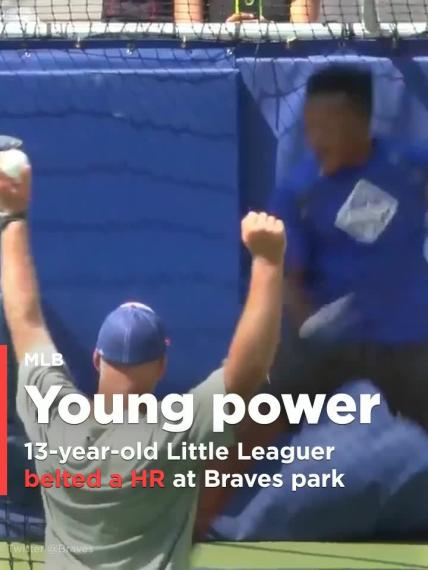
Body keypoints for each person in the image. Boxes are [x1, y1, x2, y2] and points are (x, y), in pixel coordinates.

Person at [0, 161, 285, 569]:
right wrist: (269, 263)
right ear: (162, 366)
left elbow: (25, 318)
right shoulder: (174, 434)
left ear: (97, 358)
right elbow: (246, 373)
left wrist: (13, 214)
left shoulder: (52, 416)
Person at [196, 64, 428, 537]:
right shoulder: (299, 192)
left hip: (408, 342)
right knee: (252, 427)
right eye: (310, 124)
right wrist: (309, 321)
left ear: (360, 121)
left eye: (327, 124)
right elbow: (287, 275)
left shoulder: (411, 168)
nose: (315, 135)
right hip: (325, 341)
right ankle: (186, 528)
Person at [102, 0, 319, 25]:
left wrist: (271, 33)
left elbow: (302, 30)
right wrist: (225, 33)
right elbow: (189, 28)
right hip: (219, 60)